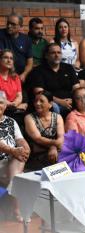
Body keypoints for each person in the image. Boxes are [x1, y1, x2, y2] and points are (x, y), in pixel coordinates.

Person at [0, 91, 30, 222]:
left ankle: (17, 210)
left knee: (15, 169)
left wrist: (25, 148)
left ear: (6, 105)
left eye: (0, 102)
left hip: (13, 160)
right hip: (2, 161)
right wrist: (13, 151)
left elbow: (20, 140)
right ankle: (19, 209)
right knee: (18, 175)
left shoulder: (11, 121)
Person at [27, 43, 80, 116]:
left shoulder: (68, 68)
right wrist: (60, 101)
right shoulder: (38, 71)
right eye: (53, 53)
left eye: (59, 52)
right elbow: (39, 92)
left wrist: (73, 100)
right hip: (51, 103)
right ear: (46, 56)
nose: (56, 55)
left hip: (69, 101)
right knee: (54, 107)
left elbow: (76, 88)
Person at [24, 90, 64, 170]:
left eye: (41, 101)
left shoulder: (58, 117)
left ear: (50, 104)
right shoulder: (29, 118)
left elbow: (61, 138)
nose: (37, 103)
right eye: (36, 101)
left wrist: (54, 147)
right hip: (37, 154)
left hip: (56, 151)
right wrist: (52, 146)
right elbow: (38, 139)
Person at [0, 13, 33, 83]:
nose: (9, 26)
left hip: (20, 78)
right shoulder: (0, 34)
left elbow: (30, 63)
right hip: (2, 77)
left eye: (13, 24)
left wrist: (24, 74)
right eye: (8, 23)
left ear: (20, 26)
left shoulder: (27, 40)